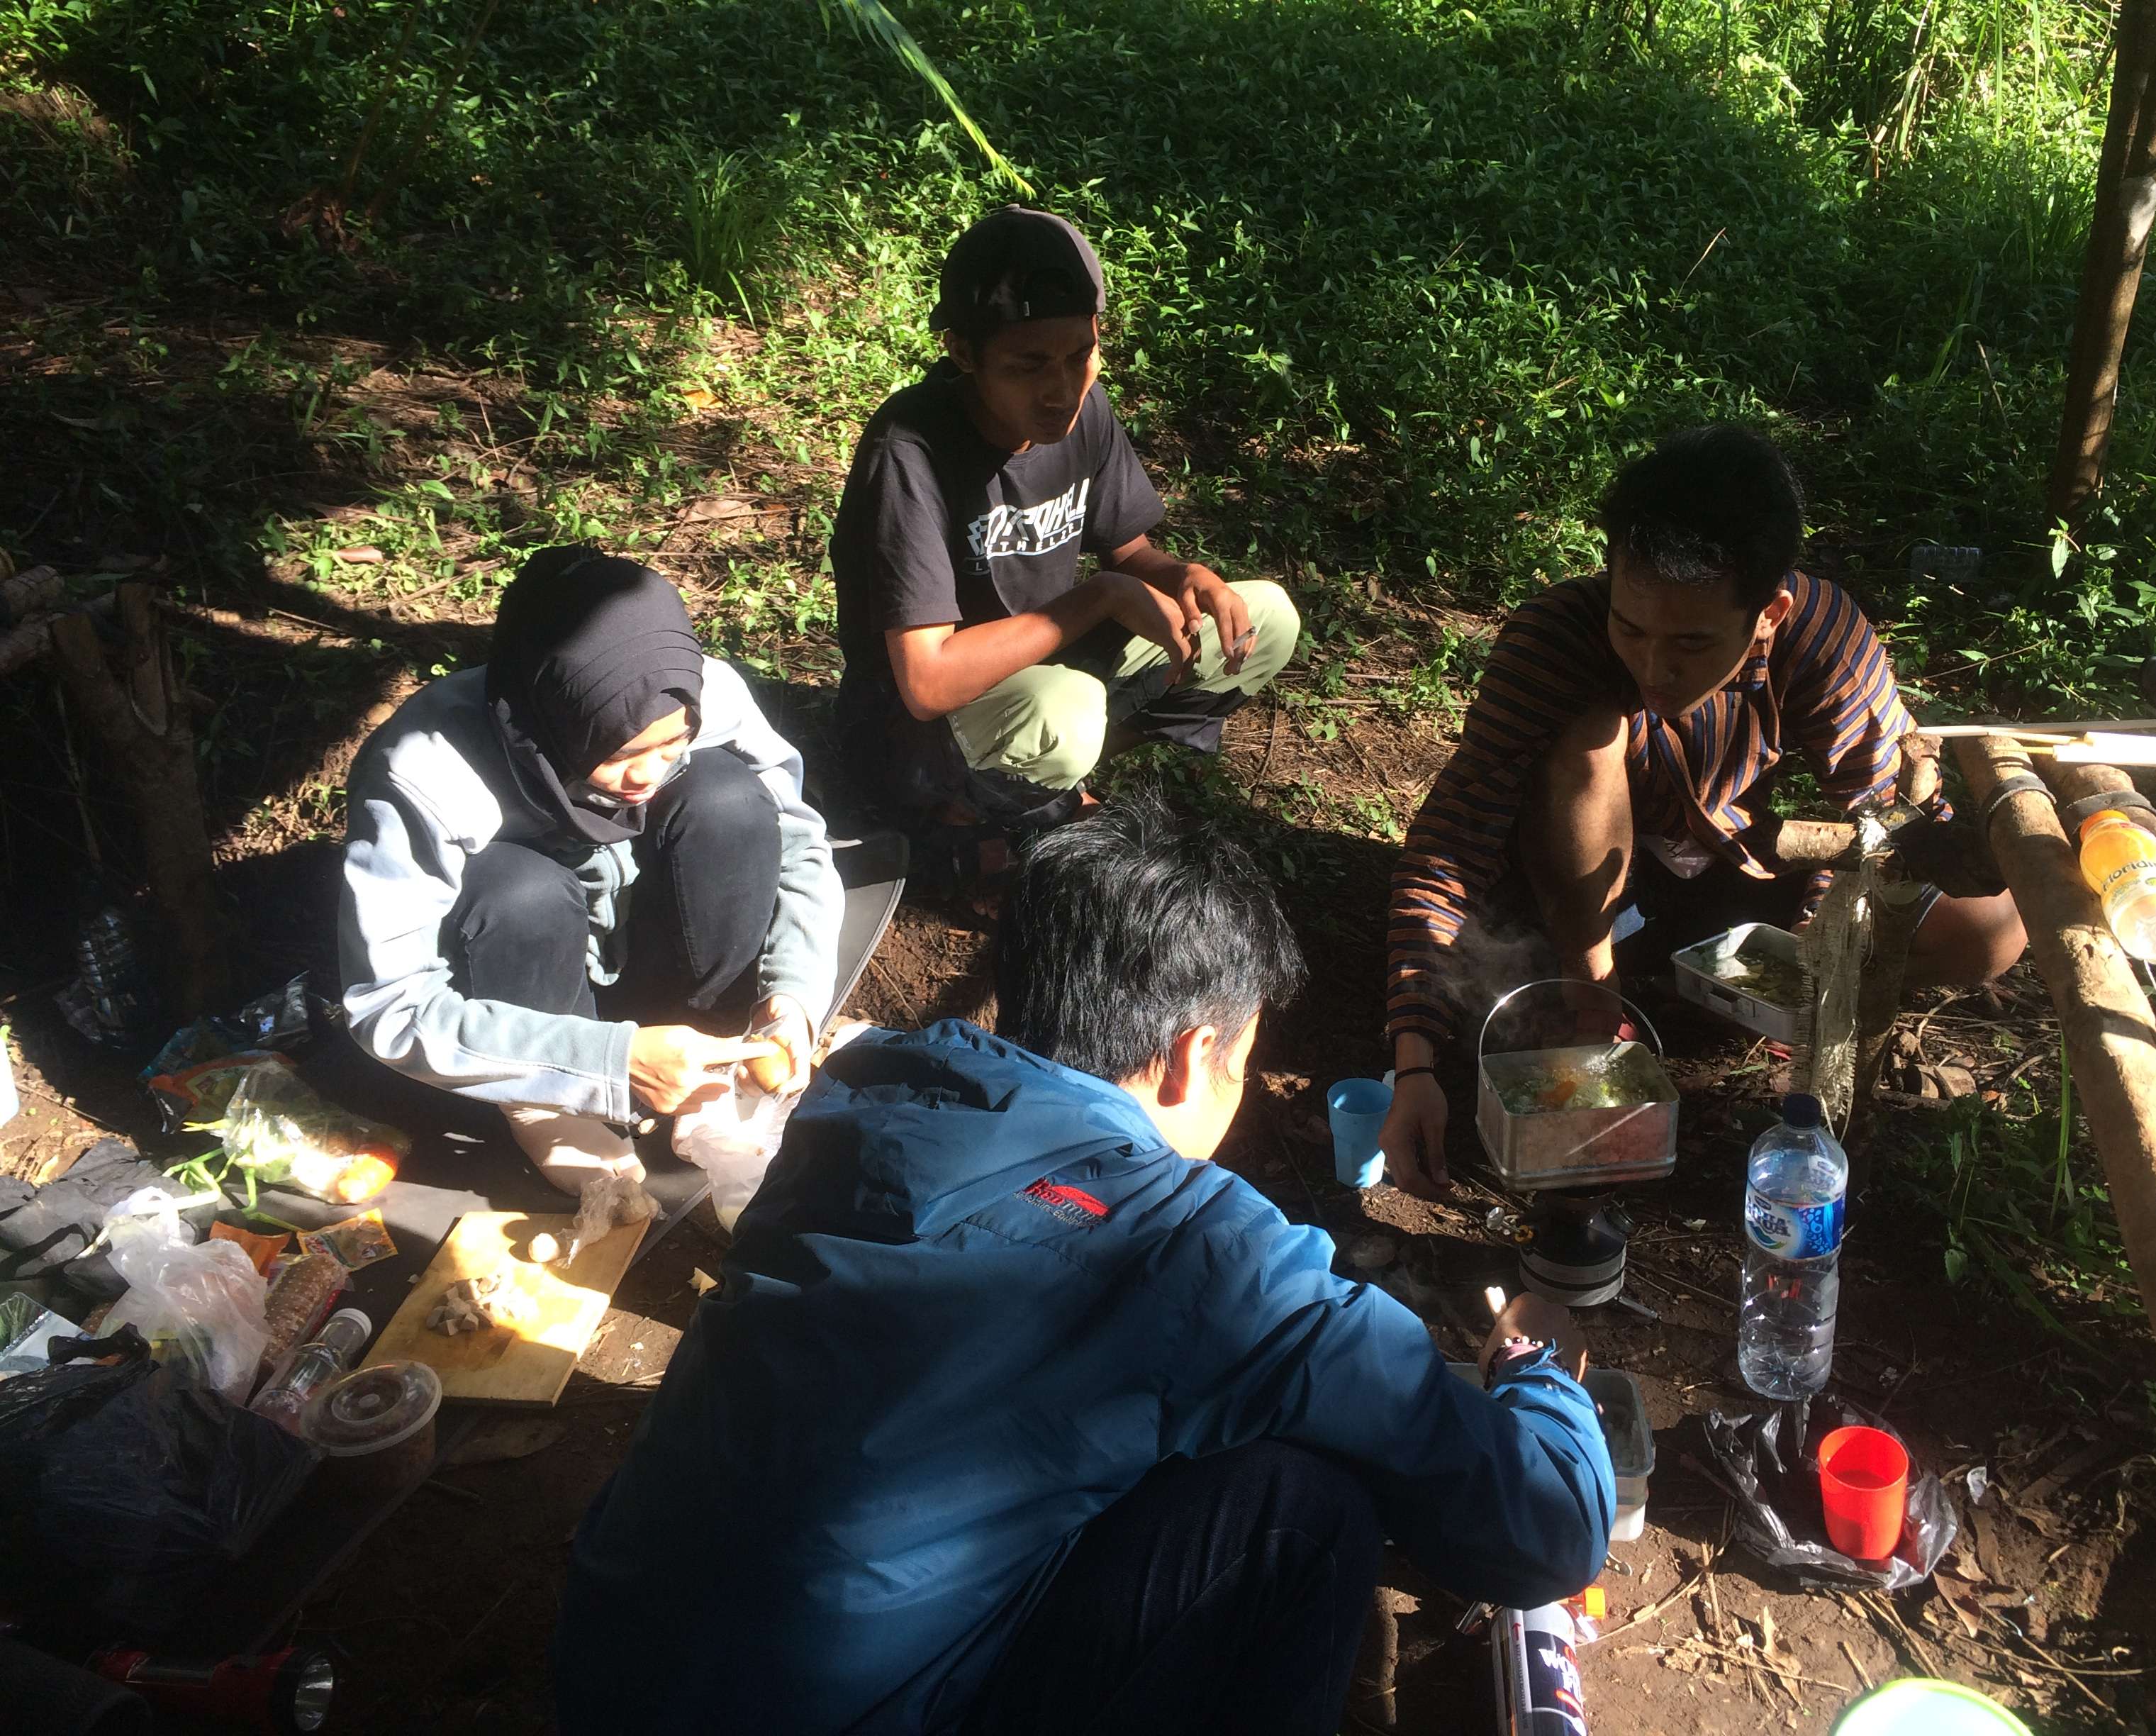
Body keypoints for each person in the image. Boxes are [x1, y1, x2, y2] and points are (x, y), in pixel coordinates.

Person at [554, 791, 1612, 1736]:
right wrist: (1532, 1375)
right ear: (1198, 1053)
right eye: (1242, 1061)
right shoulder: (1197, 1251)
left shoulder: (862, 1094)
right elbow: (1549, 1530)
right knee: (1302, 1506)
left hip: (609, 1678)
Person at [1382, 426, 2024, 1196]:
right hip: (1567, 894)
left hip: (1725, 866)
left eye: (1691, 641)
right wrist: (1413, 1057)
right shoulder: (1556, 641)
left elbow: (1885, 823)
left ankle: (1714, 988)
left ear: (1770, 610)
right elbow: (1453, 838)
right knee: (1592, 738)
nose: (1654, 667)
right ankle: (1596, 985)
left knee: (1992, 931)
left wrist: (1809, 952)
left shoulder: (1823, 641)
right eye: (1631, 627)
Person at [338, 547, 844, 1191]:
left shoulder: (700, 693)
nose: (649, 774)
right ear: (548, 723)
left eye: (673, 744)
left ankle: (711, 1041)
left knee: (729, 797)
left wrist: (794, 994)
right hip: (521, 977)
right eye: (621, 752)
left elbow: (800, 845)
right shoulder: (423, 774)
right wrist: (602, 1063)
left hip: (647, 932)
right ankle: (544, 1102)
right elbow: (388, 1003)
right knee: (518, 892)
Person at [830, 205, 1300, 841]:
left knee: (1262, 618)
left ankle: (1049, 784)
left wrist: (1186, 576)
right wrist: (1103, 595)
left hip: (1043, 671)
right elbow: (926, 683)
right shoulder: (911, 451)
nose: (1060, 391)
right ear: (963, 352)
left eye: (1080, 355)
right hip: (913, 729)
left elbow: (1128, 549)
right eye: (1027, 366)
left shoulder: (1084, 409)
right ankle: (959, 817)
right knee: (1064, 711)